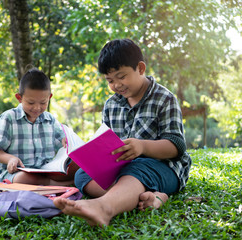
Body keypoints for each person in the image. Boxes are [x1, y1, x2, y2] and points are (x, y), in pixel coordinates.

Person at [54, 39, 192, 226]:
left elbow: (177, 146)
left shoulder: (164, 99)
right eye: (110, 80)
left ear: (141, 68)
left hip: (162, 168)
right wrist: (80, 149)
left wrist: (142, 146)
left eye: (122, 76)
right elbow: (104, 142)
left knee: (137, 168)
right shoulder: (111, 105)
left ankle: (104, 207)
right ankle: (152, 198)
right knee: (82, 176)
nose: (117, 85)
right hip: (122, 169)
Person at [0, 68, 79, 186]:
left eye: (43, 103)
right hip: (18, 173)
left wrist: (66, 141)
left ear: (49, 97)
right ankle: (60, 184)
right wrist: (10, 159)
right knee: (23, 179)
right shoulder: (8, 118)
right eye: (31, 103)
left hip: (46, 171)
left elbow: (63, 142)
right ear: (19, 98)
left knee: (78, 166)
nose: (37, 108)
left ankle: (59, 181)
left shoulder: (50, 120)